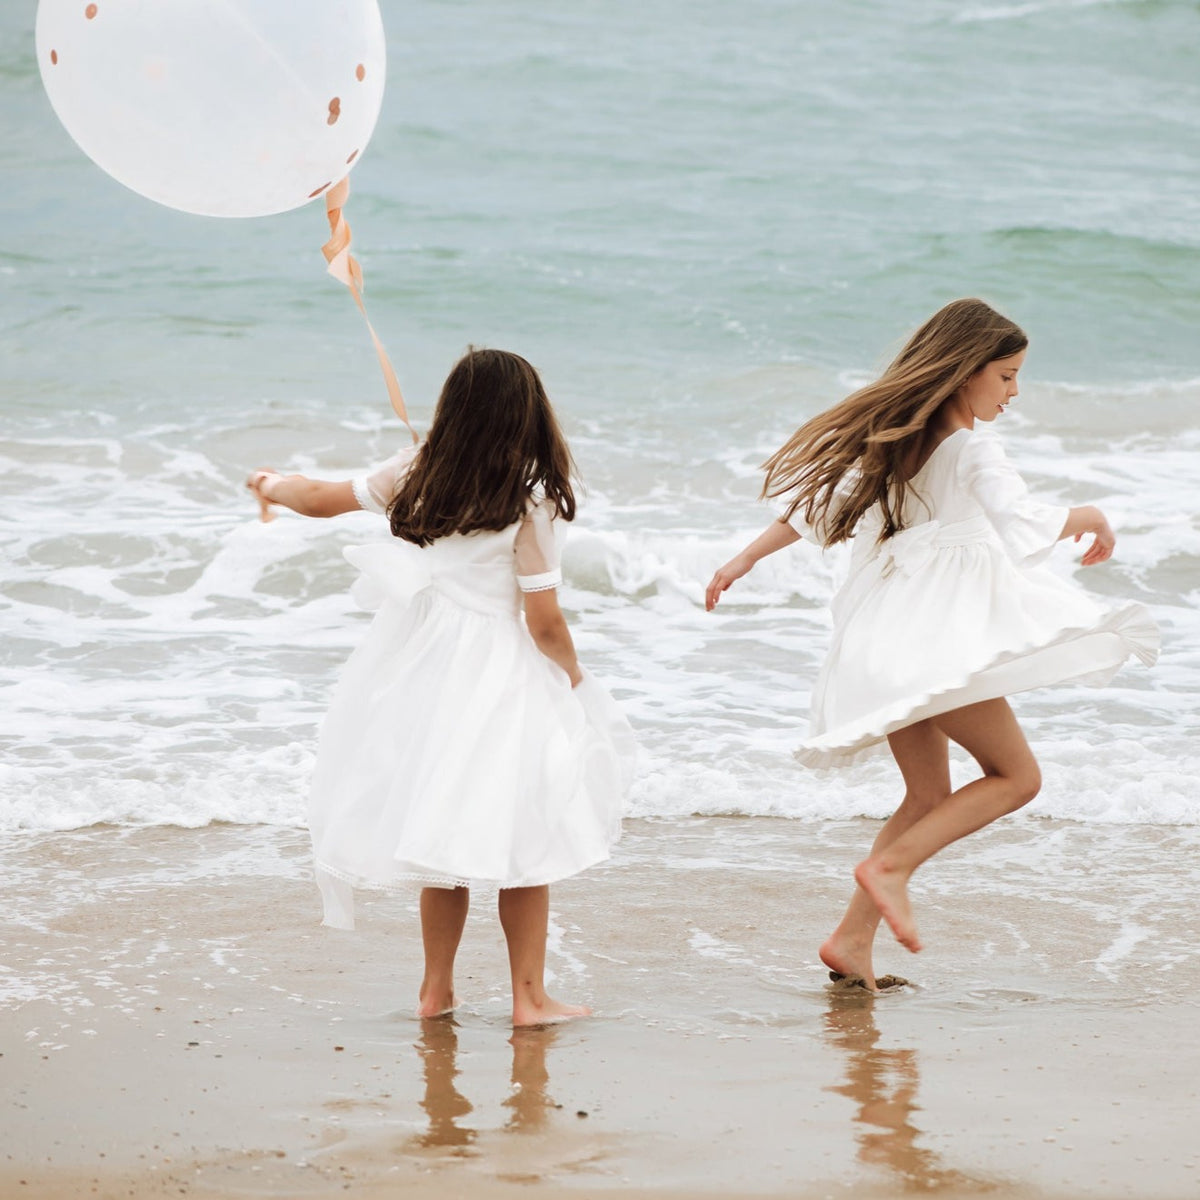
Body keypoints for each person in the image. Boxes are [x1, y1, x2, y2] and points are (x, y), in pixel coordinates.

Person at [705, 299, 1158, 991]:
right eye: (1006, 377)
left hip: (892, 633)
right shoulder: (973, 448)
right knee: (1018, 778)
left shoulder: (897, 442)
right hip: (936, 638)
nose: (1014, 393)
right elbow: (1022, 520)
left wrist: (743, 560)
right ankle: (889, 869)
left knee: (926, 795)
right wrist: (1092, 515)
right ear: (964, 372)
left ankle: (851, 942)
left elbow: (815, 512)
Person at [247, 347, 633, 1026]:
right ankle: (530, 998)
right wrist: (573, 676)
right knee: (527, 835)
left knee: (439, 842)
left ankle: (435, 991)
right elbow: (542, 619)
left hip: (418, 665)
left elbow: (319, 500)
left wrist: (273, 484)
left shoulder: (414, 471)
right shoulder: (530, 493)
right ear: (529, 414)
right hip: (496, 672)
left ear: (452, 408)